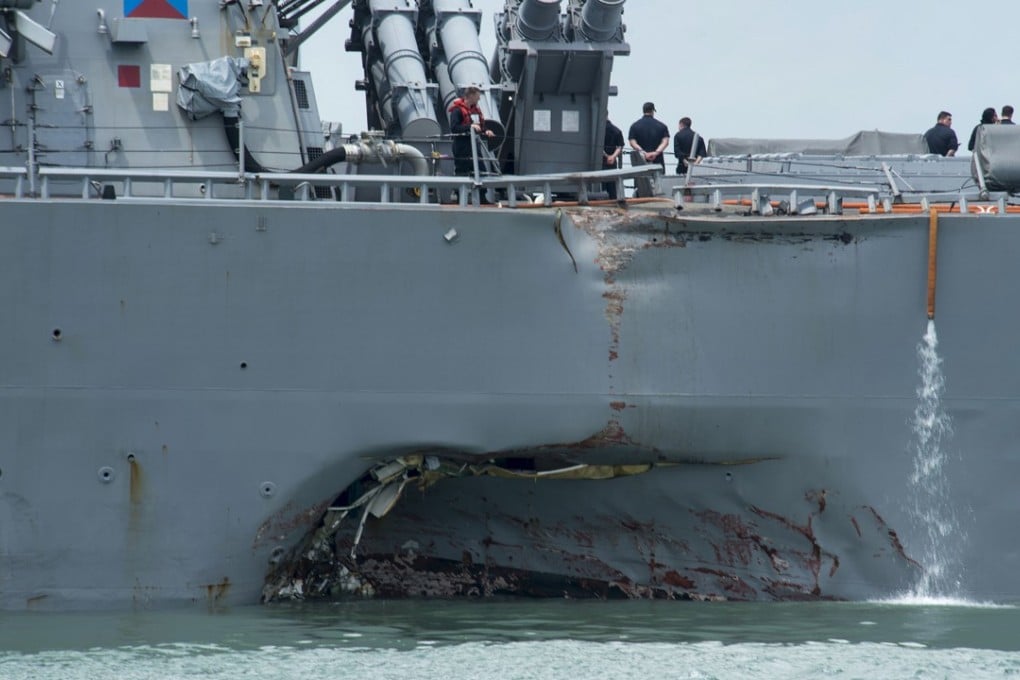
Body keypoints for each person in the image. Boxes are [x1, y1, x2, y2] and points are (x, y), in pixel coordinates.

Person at [448, 85, 495, 176]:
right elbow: (454, 128)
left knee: (481, 172)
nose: (479, 99)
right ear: (471, 96)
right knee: (462, 172)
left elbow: (479, 126)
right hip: (462, 146)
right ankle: (459, 190)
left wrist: (486, 131)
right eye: (478, 96)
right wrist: (470, 126)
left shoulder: (475, 111)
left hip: (474, 146)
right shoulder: (457, 111)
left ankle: (481, 190)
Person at [628, 102, 669, 168]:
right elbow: (665, 142)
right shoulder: (662, 126)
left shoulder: (634, 126)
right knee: (659, 177)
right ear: (653, 111)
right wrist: (655, 153)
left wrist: (643, 153)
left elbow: (632, 142)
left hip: (640, 162)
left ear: (643, 111)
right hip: (658, 162)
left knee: (640, 177)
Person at [602, 118, 624, 199]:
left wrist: (606, 156)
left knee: (601, 185)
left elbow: (598, 145)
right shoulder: (616, 130)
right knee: (612, 187)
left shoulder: (598, 130)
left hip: (600, 162)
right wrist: (613, 156)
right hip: (612, 162)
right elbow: (619, 146)